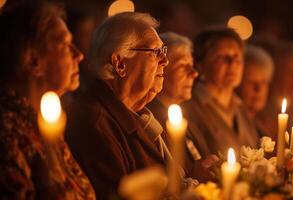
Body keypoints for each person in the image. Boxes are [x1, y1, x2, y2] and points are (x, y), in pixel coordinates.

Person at [65, 12, 169, 199]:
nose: (165, 60)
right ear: (120, 63)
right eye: (156, 52)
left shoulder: (140, 116)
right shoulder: (94, 123)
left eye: (164, 51)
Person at [0, 1, 95, 199]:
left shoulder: (42, 124)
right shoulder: (8, 135)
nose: (79, 54)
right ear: (34, 60)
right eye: (66, 44)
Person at [147, 32, 218, 182]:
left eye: (191, 66)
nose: (194, 73)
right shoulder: (151, 123)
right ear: (160, 68)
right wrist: (193, 179)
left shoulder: (186, 116)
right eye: (183, 66)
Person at [183, 27, 259, 156]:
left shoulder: (241, 107)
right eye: (221, 57)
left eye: (236, 56)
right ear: (200, 65)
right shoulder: (190, 108)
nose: (232, 63)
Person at [236, 45, 274, 137]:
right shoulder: (234, 124)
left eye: (264, 82)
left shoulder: (262, 127)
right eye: (251, 81)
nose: (258, 89)